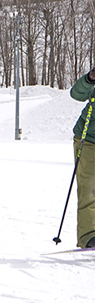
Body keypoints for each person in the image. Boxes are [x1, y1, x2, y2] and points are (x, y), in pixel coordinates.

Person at [68, 67, 95, 249]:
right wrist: (90, 78)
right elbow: (76, 94)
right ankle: (89, 236)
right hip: (89, 139)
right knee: (89, 188)